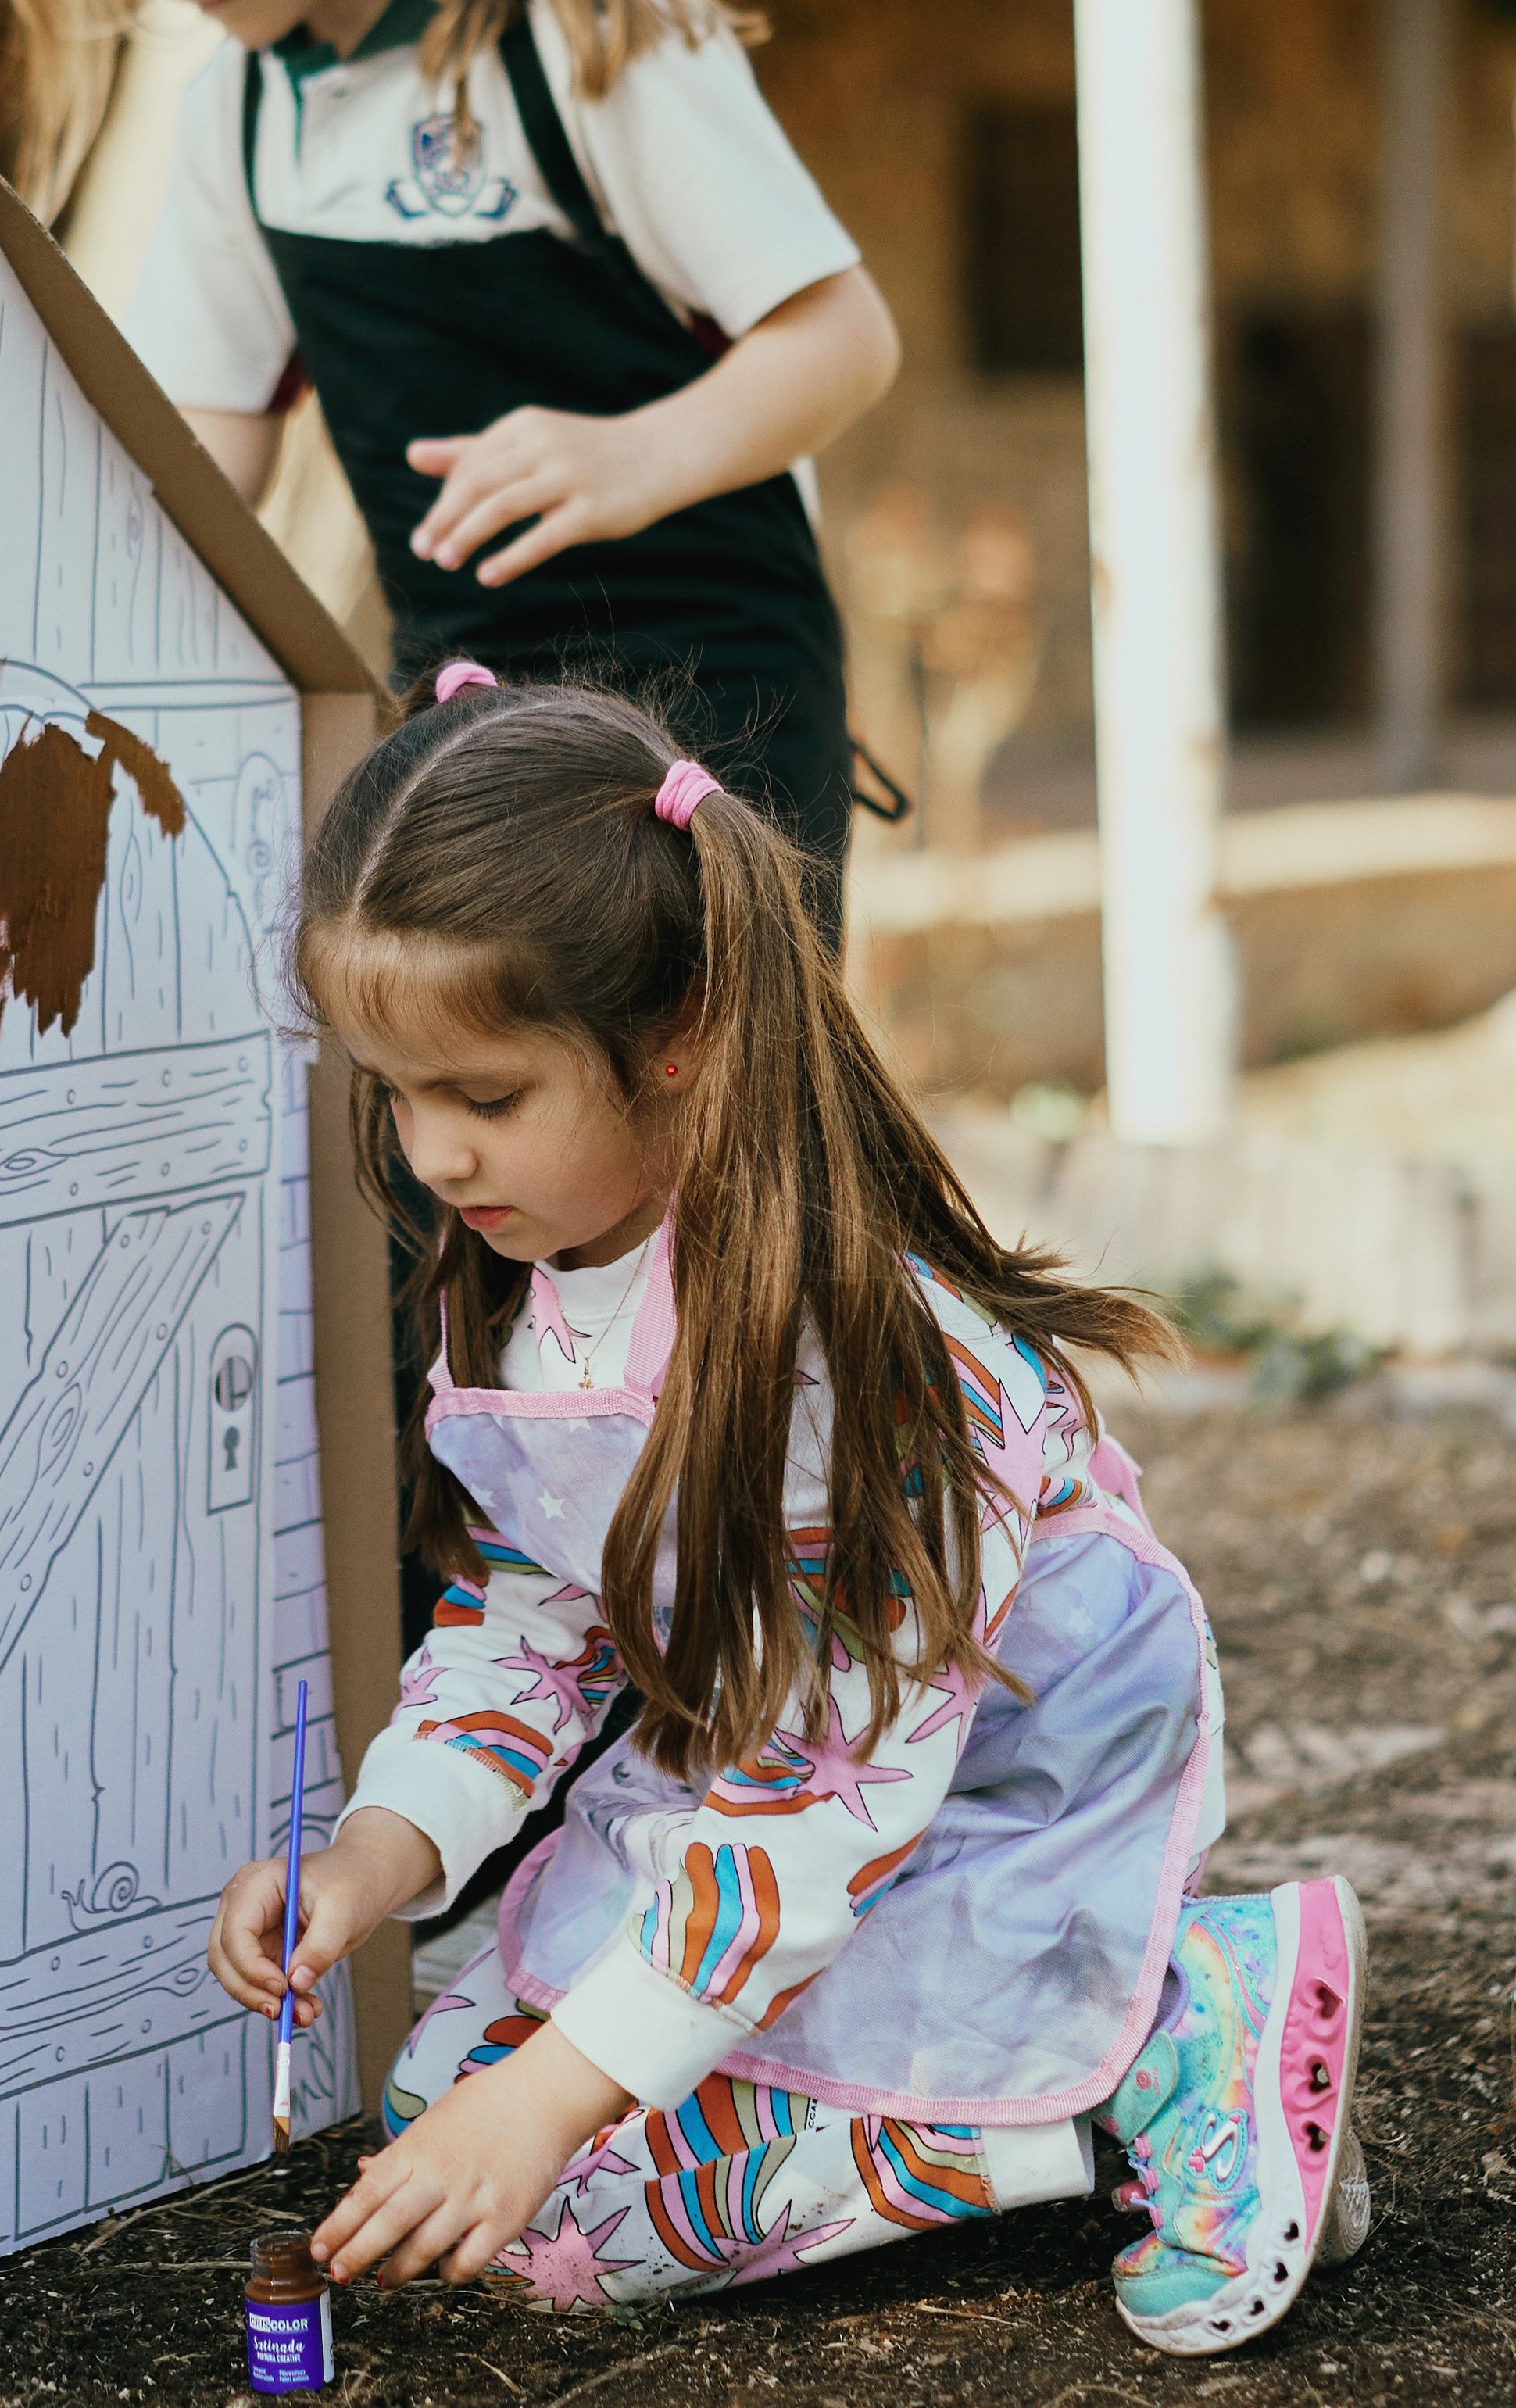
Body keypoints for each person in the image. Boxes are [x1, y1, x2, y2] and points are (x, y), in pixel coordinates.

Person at [207, 671, 1371, 2357]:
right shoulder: (532, 1275)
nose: (432, 1157)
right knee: (435, 2117)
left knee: (567, 2208)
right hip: (771, 1760)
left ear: (677, 1039)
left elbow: (836, 1789)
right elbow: (533, 1621)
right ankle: (1088, 2074)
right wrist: (374, 1857)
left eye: (485, 1097)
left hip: (984, 1785)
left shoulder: (845, 1354)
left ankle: (1167, 2042)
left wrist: (556, 2095)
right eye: (395, 1093)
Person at [0, 0, 903, 902]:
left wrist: (635, 454)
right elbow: (208, 452)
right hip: (471, 736)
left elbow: (844, 338)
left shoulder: (589, 28)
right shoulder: (240, 112)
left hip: (715, 735)